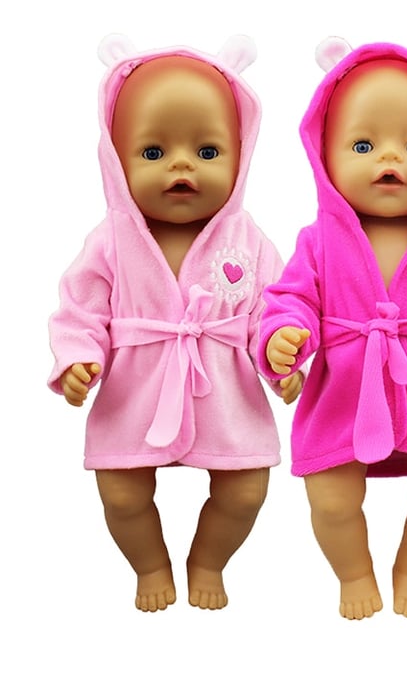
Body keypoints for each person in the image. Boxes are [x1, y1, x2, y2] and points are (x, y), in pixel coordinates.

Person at [48, 35, 301, 611]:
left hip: (226, 393)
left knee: (246, 491)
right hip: (133, 392)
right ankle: (151, 563)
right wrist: (78, 359)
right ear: (116, 161)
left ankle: (208, 560)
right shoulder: (110, 240)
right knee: (121, 492)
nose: (182, 164)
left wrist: (279, 351)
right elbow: (79, 310)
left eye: (208, 151)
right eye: (153, 151)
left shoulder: (248, 239)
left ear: (241, 156)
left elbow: (274, 307)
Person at [259, 37, 407, 619]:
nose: (391, 159)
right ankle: (355, 572)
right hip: (343, 394)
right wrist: (284, 337)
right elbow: (290, 299)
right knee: (331, 500)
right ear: (324, 156)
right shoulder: (319, 240)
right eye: (363, 145)